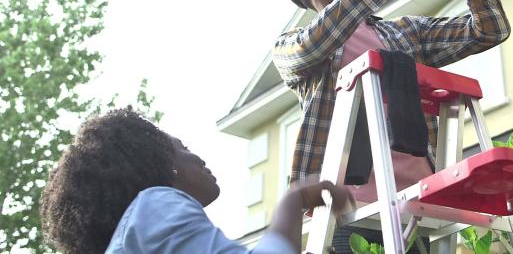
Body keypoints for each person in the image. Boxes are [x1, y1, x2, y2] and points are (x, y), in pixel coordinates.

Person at [273, 0, 511, 252]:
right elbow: (317, 41)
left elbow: (490, 28)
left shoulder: (404, 33)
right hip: (349, 216)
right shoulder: (294, 44)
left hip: (416, 214)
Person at [40, 107, 355, 254]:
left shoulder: (145, 234)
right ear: (163, 166)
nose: (198, 158)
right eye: (183, 149)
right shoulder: (155, 205)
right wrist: (294, 199)